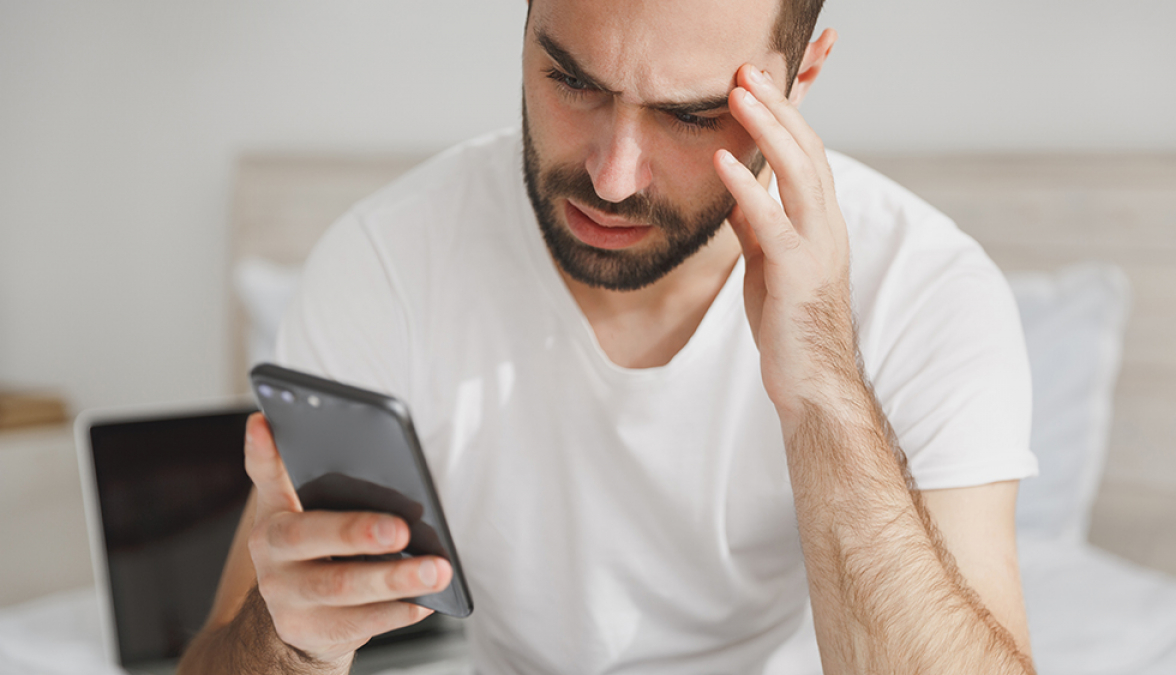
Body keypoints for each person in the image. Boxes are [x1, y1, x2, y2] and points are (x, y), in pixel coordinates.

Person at [180, 0, 1040, 672]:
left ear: (803, 76)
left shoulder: (923, 290)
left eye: (694, 115)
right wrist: (289, 645)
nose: (612, 177)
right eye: (574, 83)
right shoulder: (389, 261)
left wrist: (822, 385)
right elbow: (227, 648)